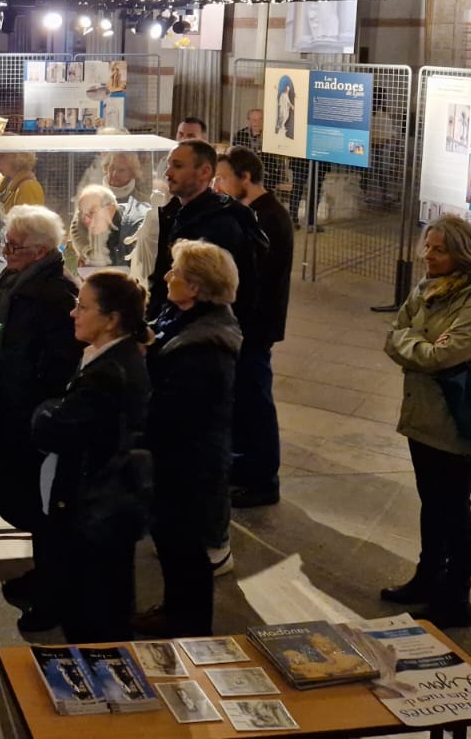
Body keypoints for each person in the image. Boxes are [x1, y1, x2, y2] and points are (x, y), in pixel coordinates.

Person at [380, 216, 471, 629]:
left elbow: (439, 356)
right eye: (427, 247)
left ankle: (455, 598)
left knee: (453, 507)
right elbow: (393, 336)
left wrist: (411, 342)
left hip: (454, 420)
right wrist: (416, 342)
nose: (428, 256)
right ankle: (426, 578)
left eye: (439, 249)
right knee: (432, 504)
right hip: (422, 414)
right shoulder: (425, 288)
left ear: (462, 253)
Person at [149, 140, 265, 572]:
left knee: (204, 451)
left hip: (205, 337)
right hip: (182, 324)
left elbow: (231, 288)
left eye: (177, 166)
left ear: (203, 173)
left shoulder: (221, 224)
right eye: (168, 165)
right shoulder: (181, 213)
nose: (168, 172)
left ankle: (212, 546)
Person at [0, 204, 81, 629]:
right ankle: (43, 575)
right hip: (10, 406)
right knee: (23, 498)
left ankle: (55, 594)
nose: (5, 251)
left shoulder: (56, 295)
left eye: (14, 246)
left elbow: (58, 366)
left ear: (39, 252)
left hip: (33, 415)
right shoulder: (15, 282)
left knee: (45, 508)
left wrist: (33, 404)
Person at [32, 269, 152, 642]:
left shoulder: (109, 372)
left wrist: (44, 413)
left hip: (96, 509)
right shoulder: (111, 357)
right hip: (103, 506)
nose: (73, 313)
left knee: (94, 610)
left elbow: (56, 426)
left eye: (83, 307)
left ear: (112, 319)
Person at [136, 239, 242, 638]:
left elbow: (179, 407)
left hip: (188, 460)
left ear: (195, 287)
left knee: (186, 548)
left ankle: (188, 627)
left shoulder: (205, 346)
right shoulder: (183, 317)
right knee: (172, 543)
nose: (167, 276)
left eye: (175, 272)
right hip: (176, 454)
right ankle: (175, 610)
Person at [215, 146, 293, 508]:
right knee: (245, 401)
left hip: (255, 327)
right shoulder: (255, 213)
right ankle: (246, 469)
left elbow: (256, 279)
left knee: (256, 403)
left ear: (245, 178)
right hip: (248, 324)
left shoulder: (267, 218)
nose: (220, 185)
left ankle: (264, 479)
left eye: (225, 178)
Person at [64, 183, 146, 276]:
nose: (86, 220)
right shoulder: (83, 218)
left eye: (92, 212)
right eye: (83, 213)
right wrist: (89, 252)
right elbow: (77, 226)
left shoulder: (134, 225)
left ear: (110, 210)